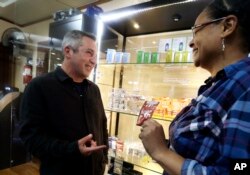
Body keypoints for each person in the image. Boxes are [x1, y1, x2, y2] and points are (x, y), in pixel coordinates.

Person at [139, 0, 250, 174]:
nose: (191, 42)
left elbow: (235, 170)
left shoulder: (245, 88)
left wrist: (160, 152)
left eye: (196, 29)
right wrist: (162, 144)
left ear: (227, 27)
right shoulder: (218, 84)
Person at [19, 30, 108, 175]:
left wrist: (102, 160)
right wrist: (72, 148)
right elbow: (31, 139)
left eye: (95, 55)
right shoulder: (39, 87)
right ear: (68, 51)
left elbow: (102, 126)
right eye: (89, 53)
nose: (94, 60)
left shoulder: (94, 90)